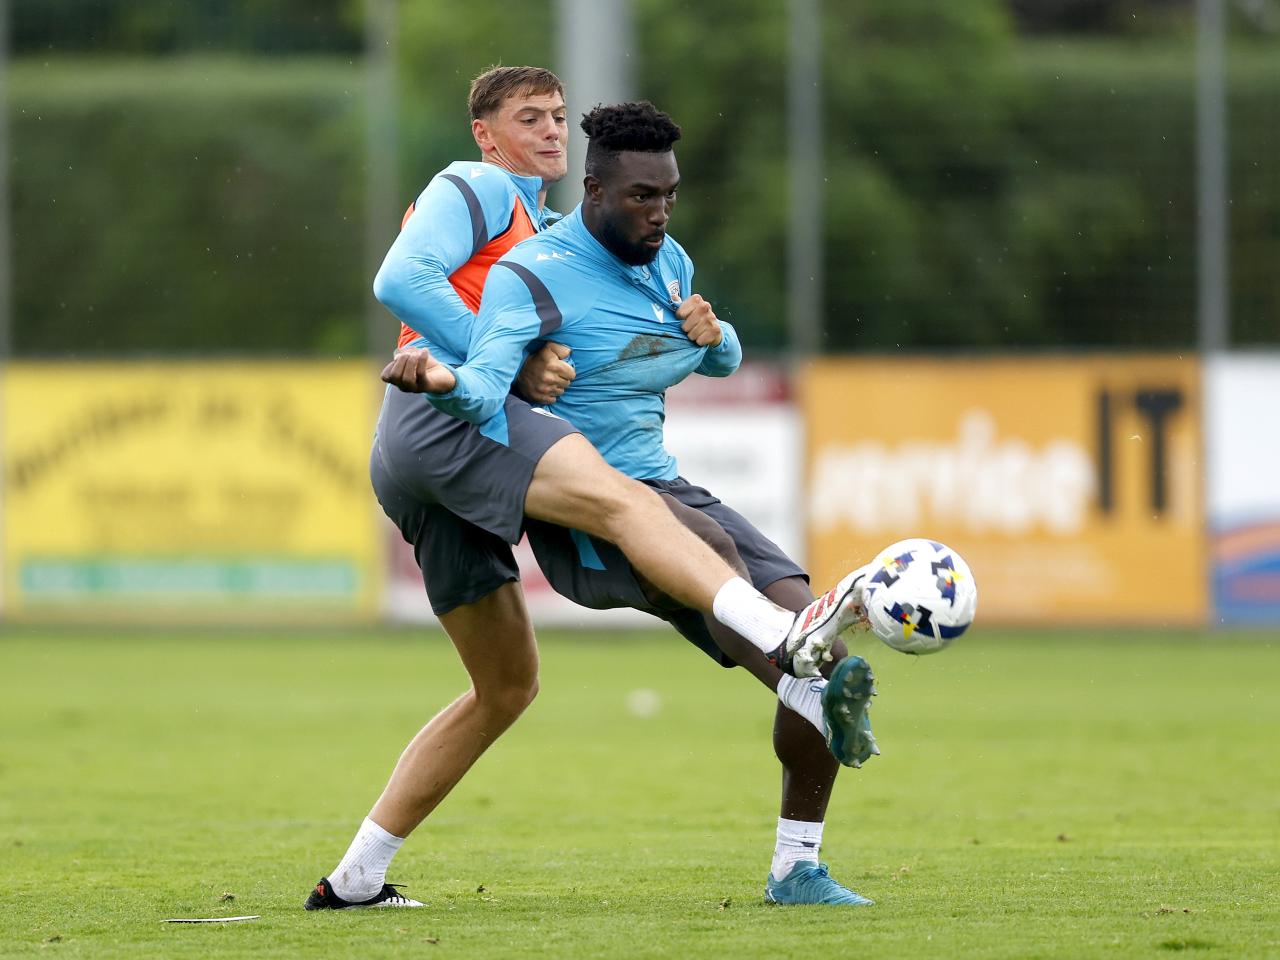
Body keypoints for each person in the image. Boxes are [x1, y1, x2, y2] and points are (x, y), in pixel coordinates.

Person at [304, 68, 871, 911]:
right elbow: (401, 281)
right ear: (485, 135)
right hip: (442, 417)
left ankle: (355, 878)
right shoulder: (482, 190)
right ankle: (787, 649)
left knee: (506, 687)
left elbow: (701, 351)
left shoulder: (578, 238)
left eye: (558, 117)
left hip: (436, 445)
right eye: (528, 117)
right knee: (634, 508)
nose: (549, 131)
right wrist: (502, 363)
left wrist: (712, 336)